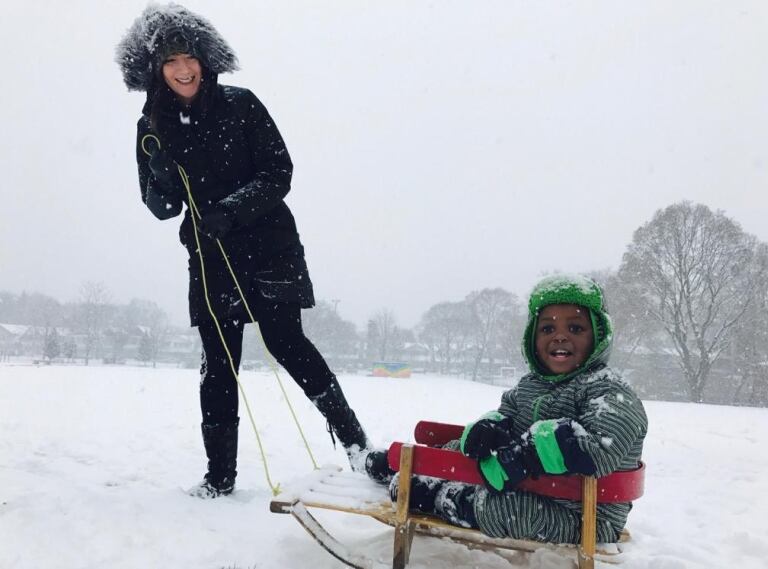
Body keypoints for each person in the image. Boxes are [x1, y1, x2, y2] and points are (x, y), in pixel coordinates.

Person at [116, 3, 383, 497]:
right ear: (155, 68)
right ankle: (220, 477)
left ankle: (358, 447)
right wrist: (158, 176)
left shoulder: (242, 104)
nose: (182, 68)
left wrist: (233, 210)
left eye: (189, 56)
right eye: (170, 59)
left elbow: (279, 172)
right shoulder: (150, 126)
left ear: (204, 58)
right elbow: (161, 208)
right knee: (218, 365)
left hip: (269, 247)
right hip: (209, 258)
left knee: (288, 345)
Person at [387, 274, 648, 543]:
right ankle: (402, 468)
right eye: (547, 329)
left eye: (576, 329)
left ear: (599, 337)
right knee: (460, 447)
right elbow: (508, 412)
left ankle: (442, 497)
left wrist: (529, 451)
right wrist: (491, 426)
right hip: (535, 489)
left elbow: (600, 448)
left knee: (507, 509)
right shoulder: (531, 385)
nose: (560, 336)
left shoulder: (609, 390)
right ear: (532, 339)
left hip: (584, 515)